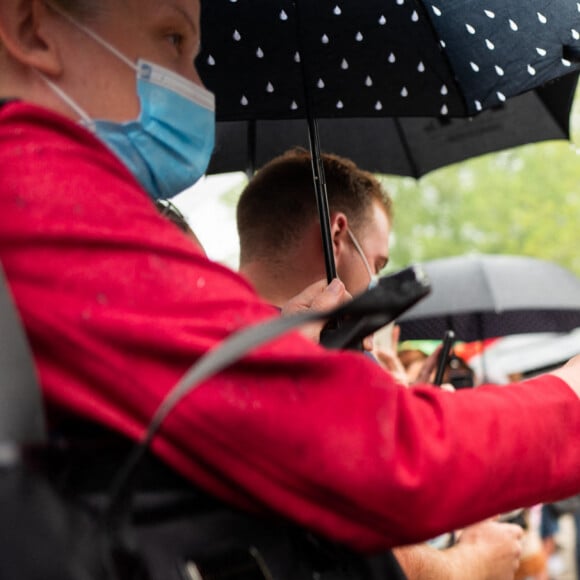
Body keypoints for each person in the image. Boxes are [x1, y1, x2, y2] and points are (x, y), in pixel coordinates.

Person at [1, 0, 580, 567]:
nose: (197, 87)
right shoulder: (36, 192)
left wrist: (275, 347)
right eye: (171, 39)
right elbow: (373, 457)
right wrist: (568, 401)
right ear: (33, 29)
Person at [237, 148, 525, 579]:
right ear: (338, 234)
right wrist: (474, 561)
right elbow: (380, 556)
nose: (376, 280)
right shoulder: (320, 373)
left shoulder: (191, 344)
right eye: (377, 263)